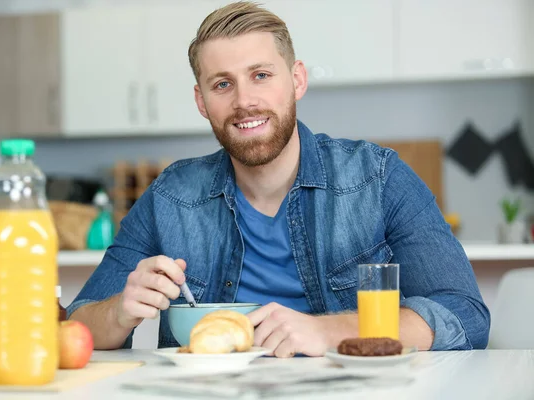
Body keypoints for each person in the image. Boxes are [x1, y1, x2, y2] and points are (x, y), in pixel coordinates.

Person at [67, 1, 490, 357]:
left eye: (261, 75)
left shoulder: (378, 178)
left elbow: (465, 314)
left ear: (297, 80)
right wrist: (120, 313)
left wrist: (325, 332)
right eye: (222, 84)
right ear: (201, 101)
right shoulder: (170, 196)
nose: (244, 101)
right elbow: (77, 327)